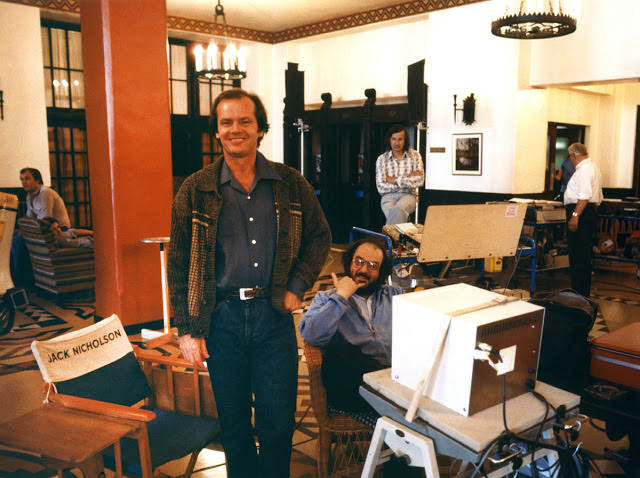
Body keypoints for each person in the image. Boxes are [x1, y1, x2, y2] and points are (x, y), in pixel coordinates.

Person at [167, 88, 331, 478]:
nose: (235, 129)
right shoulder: (195, 189)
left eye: (245, 121)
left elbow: (320, 235)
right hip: (221, 320)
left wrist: (297, 284)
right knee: (235, 426)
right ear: (217, 131)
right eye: (227, 122)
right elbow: (178, 262)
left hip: (273, 317)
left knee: (278, 425)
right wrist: (187, 330)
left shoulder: (290, 183)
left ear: (261, 129)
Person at [298, 236, 402, 413]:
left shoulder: (394, 296)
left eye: (372, 266)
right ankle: (395, 405)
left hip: (393, 379)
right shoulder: (327, 298)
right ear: (349, 262)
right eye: (358, 261)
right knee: (339, 352)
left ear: (381, 272)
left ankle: (394, 404)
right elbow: (311, 334)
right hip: (353, 385)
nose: (363, 270)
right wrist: (341, 298)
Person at [563, 143, 603, 297]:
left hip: (581, 212)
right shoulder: (593, 167)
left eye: (570, 157)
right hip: (587, 212)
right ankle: (580, 292)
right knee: (583, 256)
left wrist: (575, 216)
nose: (570, 160)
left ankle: (579, 294)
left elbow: (584, 196)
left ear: (574, 156)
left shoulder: (585, 170)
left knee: (578, 256)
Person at [375, 125, 424, 225]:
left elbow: (420, 180)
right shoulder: (382, 159)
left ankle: (387, 240)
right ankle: (400, 240)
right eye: (393, 139)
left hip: (409, 195)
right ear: (389, 140)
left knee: (399, 209)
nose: (396, 143)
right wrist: (408, 178)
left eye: (400, 139)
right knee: (397, 217)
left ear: (405, 140)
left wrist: (393, 180)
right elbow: (380, 187)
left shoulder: (415, 156)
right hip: (387, 197)